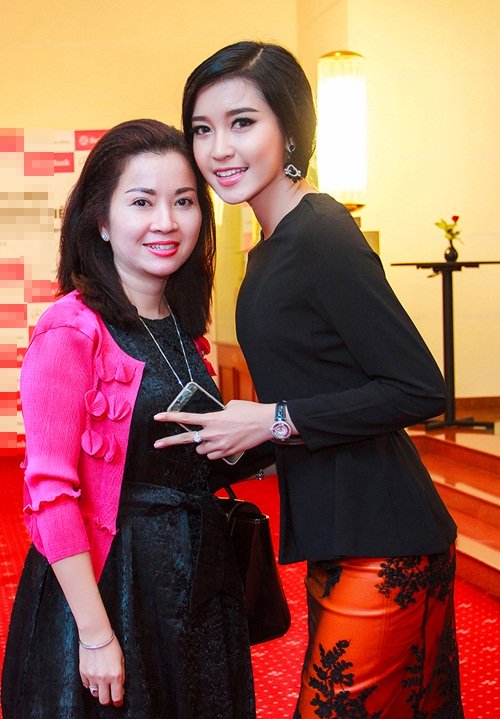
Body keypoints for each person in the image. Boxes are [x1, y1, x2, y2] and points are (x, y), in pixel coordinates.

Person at [153, 42, 465, 718]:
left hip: (384, 540)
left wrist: (273, 419)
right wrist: (242, 435)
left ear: (290, 130)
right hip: (343, 533)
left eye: (242, 122)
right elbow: (321, 388)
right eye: (202, 129)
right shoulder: (271, 248)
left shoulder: (321, 232)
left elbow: (418, 387)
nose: (218, 148)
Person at [1, 119, 262, 719]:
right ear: (100, 218)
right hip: (111, 592)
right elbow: (49, 495)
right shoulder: (71, 330)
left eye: (184, 201)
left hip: (196, 586)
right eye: (142, 202)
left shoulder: (182, 326)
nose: (166, 222)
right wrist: (95, 636)